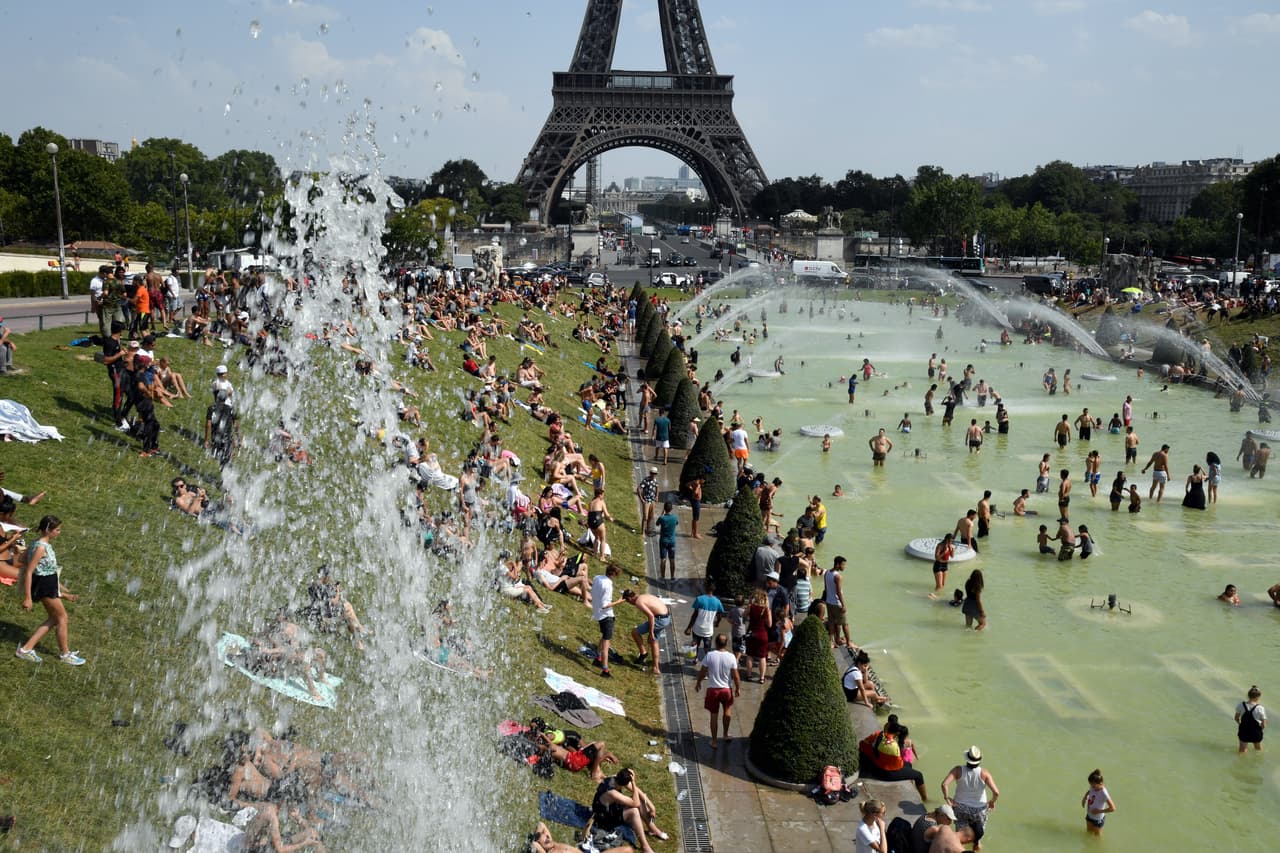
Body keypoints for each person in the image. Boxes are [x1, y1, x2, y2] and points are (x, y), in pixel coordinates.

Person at [15, 516, 86, 665]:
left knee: (54, 618)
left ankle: (26, 649)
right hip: (44, 586)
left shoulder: (37, 543)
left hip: (48, 584)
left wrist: (63, 592)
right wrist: (27, 598)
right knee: (62, 618)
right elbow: (28, 571)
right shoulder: (41, 547)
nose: (59, 532)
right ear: (48, 530)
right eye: (57, 530)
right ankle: (65, 653)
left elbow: (22, 559)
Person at [591, 768, 667, 853]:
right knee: (634, 811)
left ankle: (653, 829)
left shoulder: (616, 778)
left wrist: (652, 806)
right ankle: (645, 846)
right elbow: (636, 803)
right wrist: (634, 783)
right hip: (603, 818)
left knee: (639, 799)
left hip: (611, 808)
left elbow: (638, 792)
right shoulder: (612, 793)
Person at [940, 746, 1000, 851]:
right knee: (977, 836)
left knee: (959, 837)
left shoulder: (958, 770)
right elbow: (996, 792)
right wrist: (992, 801)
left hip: (960, 807)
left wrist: (947, 798)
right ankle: (976, 847)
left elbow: (944, 784)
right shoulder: (984, 773)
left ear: (967, 758)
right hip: (979, 809)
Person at [693, 633, 741, 748]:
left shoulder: (709, 655)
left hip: (713, 690)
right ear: (727, 643)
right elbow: (736, 676)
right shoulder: (731, 657)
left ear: (715, 643)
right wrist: (738, 688)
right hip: (726, 689)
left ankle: (714, 741)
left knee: (713, 715)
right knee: (727, 710)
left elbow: (703, 671)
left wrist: (698, 682)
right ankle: (725, 734)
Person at [623, 590, 670, 676]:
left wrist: (651, 632)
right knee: (653, 641)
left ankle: (643, 653)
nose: (631, 604)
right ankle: (656, 668)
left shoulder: (638, 602)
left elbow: (651, 616)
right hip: (666, 617)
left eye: (628, 602)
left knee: (635, 632)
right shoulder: (643, 596)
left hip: (659, 619)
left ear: (629, 599)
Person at [591, 564, 623, 678]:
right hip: (606, 616)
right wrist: (619, 601)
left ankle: (598, 657)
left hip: (598, 613)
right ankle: (605, 670)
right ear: (614, 574)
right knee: (606, 643)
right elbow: (605, 605)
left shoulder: (597, 578)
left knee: (604, 636)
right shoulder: (608, 585)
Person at [684, 579, 724, 662]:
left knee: (695, 644)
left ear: (705, 588)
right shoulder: (718, 602)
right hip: (708, 631)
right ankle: (707, 662)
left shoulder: (699, 599)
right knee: (707, 648)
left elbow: (694, 615)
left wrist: (689, 627)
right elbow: (720, 616)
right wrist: (717, 623)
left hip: (697, 628)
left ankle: (695, 659)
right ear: (714, 589)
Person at [528, 821, 633, 853]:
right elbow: (534, 844)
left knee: (628, 850)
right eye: (546, 841)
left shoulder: (552, 844)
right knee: (627, 850)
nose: (548, 839)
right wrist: (536, 844)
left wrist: (540, 836)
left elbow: (540, 824)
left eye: (547, 837)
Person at [823, 556, 852, 649]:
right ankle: (848, 643)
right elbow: (839, 592)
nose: (844, 567)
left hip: (829, 601)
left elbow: (826, 588)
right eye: (843, 564)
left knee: (831, 622)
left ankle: (831, 642)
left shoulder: (827, 573)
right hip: (837, 603)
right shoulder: (838, 576)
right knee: (845, 624)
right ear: (838, 564)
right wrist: (843, 605)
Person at [744, 588, 772, 683]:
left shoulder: (751, 607)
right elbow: (770, 624)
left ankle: (749, 675)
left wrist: (749, 603)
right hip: (763, 635)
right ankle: (762, 678)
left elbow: (744, 615)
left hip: (752, 633)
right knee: (762, 657)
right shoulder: (766, 609)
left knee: (750, 655)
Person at [1080, 768, 1116, 836]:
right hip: (1089, 815)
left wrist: (1099, 811)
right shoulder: (1092, 787)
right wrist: (1085, 798)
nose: (1092, 787)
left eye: (1093, 786)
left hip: (1098, 819)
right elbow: (1089, 791)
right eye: (1090, 785)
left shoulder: (1104, 793)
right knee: (1088, 833)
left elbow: (1113, 808)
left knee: (1097, 838)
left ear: (1100, 783)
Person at [1235, 685, 1267, 753]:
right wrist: (1259, 729)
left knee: (1242, 751)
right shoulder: (1260, 708)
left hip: (1244, 730)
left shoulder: (1241, 705)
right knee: (1258, 749)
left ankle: (1241, 762)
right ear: (1258, 697)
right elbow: (1264, 724)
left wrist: (1240, 724)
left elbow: (1236, 718)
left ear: (1248, 695)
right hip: (1256, 732)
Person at [654, 501, 679, 579]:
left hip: (663, 541)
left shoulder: (662, 518)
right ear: (671, 509)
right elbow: (676, 523)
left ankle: (662, 577)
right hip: (672, 541)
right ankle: (672, 576)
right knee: (672, 559)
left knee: (663, 559)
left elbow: (657, 524)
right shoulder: (675, 518)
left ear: (664, 508)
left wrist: (662, 513)